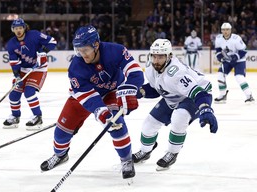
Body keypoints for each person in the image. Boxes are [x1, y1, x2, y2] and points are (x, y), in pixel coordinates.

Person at [40, 25, 144, 180]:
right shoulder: (76, 67)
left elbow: (135, 72)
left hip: (112, 92)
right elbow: (87, 97)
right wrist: (101, 113)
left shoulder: (115, 51)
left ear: (96, 45)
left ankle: (126, 160)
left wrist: (130, 90)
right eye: (78, 50)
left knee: (117, 125)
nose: (82, 54)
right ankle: (60, 155)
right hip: (86, 96)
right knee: (61, 131)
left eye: (85, 50)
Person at [132, 39, 218, 170]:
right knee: (149, 124)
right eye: (154, 56)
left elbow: (199, 93)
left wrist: (205, 108)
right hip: (174, 95)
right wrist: (142, 91)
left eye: (160, 56)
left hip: (197, 94)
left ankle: (172, 152)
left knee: (179, 117)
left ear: (169, 56)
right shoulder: (151, 67)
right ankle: (145, 151)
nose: (156, 60)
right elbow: (158, 88)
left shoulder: (176, 72)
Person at [4, 18, 57, 130]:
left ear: (24, 28)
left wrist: (43, 51)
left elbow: (52, 41)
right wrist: (17, 76)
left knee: (29, 91)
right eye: (16, 28)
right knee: (14, 94)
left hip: (38, 69)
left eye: (20, 28)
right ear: (12, 30)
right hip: (23, 70)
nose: (18, 30)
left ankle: (37, 116)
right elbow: (14, 63)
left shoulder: (34, 35)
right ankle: (15, 116)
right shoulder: (11, 44)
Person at [214, 22, 254, 103]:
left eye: (227, 30)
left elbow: (244, 50)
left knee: (239, 77)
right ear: (221, 30)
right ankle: (223, 95)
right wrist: (219, 55)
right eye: (224, 30)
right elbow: (218, 49)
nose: (225, 31)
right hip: (227, 60)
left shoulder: (236, 38)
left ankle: (249, 96)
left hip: (239, 60)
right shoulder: (218, 38)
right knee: (220, 75)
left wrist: (236, 57)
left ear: (230, 30)